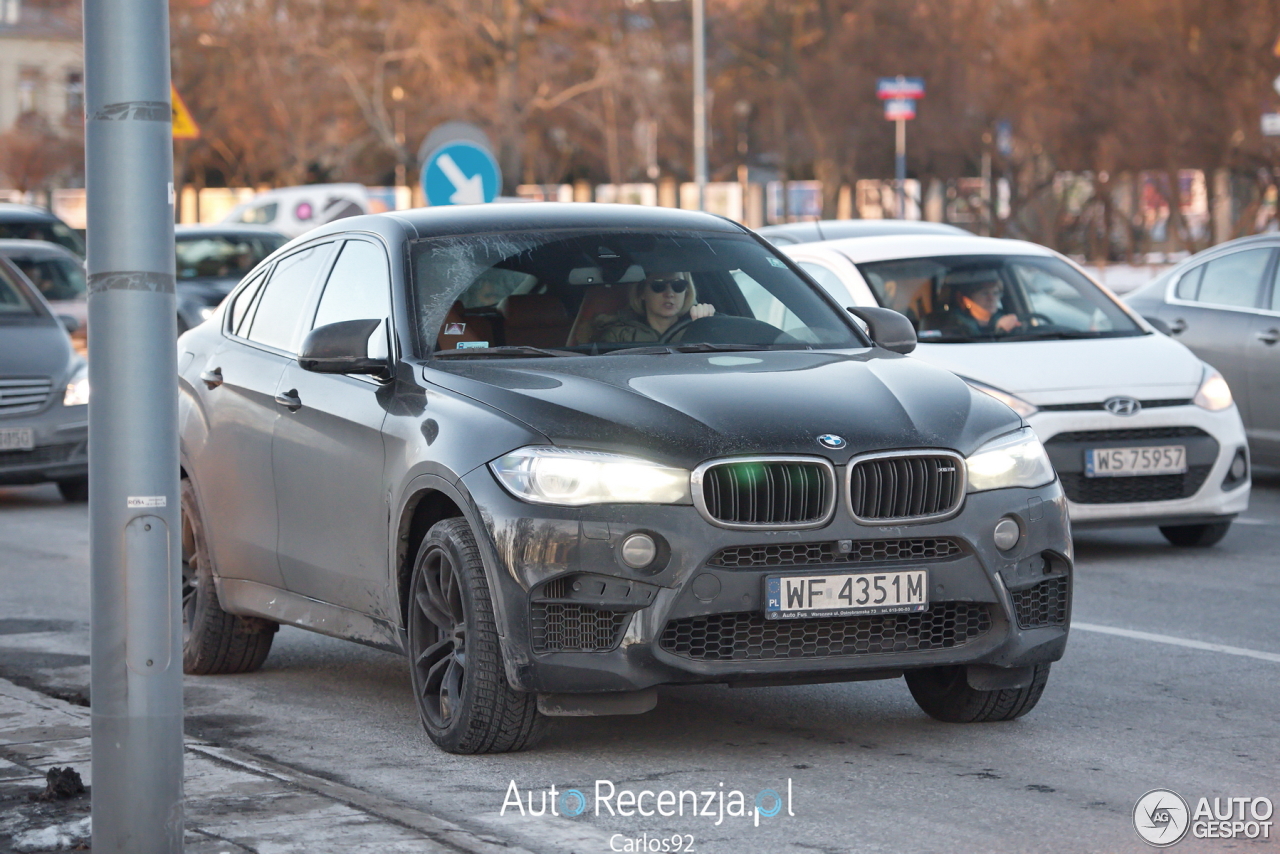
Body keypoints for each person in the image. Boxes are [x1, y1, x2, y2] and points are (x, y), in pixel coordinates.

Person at [589, 273, 715, 343]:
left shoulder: (700, 327)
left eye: (678, 285)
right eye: (658, 285)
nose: (670, 293)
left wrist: (708, 324)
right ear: (642, 293)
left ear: (686, 292)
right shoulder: (619, 335)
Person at [939, 271, 1021, 336]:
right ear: (967, 300)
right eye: (984, 293)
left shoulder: (1008, 319)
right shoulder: (952, 326)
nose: (991, 299)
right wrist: (1000, 331)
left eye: (995, 293)